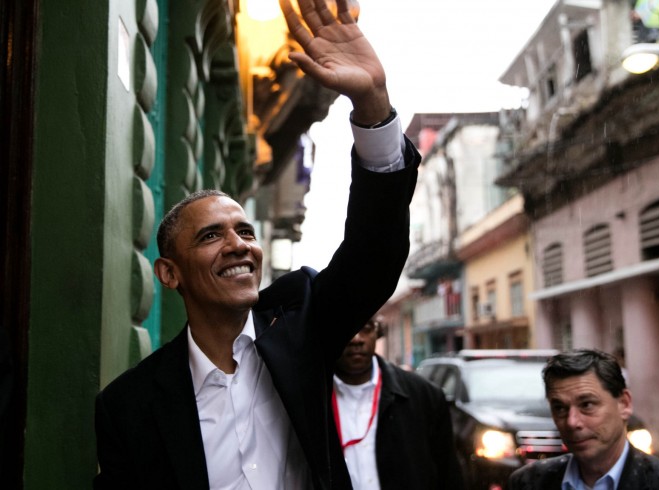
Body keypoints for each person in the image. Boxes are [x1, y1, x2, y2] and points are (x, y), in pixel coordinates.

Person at [93, 1, 420, 488]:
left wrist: (372, 103)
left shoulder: (302, 330)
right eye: (211, 236)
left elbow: (374, 253)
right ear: (169, 273)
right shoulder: (130, 405)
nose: (238, 245)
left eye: (245, 231)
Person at [507, 349, 659, 490]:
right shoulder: (527, 483)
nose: (572, 422)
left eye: (587, 405)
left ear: (624, 404)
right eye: (559, 408)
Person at [332, 315, 462, 489]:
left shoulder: (424, 396)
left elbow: (449, 476)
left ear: (377, 332)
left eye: (366, 328)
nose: (357, 339)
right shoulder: (309, 401)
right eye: (347, 329)